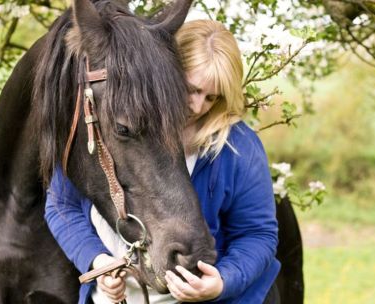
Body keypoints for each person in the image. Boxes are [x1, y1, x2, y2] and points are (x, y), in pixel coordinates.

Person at [45, 20, 280, 304]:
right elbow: (61, 206)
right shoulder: (111, 123)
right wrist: (97, 262)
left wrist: (222, 282)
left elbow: (258, 234)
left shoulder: (237, 146)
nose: (197, 106)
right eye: (191, 89)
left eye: (212, 97)